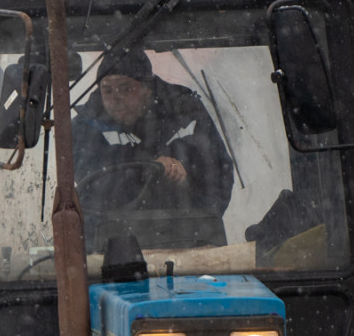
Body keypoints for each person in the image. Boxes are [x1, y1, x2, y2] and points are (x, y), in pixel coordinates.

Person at [71, 48, 234, 250]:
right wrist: (147, 169)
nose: (116, 99)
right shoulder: (87, 126)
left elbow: (218, 176)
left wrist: (199, 221)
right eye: (107, 90)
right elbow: (90, 187)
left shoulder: (186, 112)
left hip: (187, 243)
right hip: (111, 247)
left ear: (147, 89)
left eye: (125, 88)